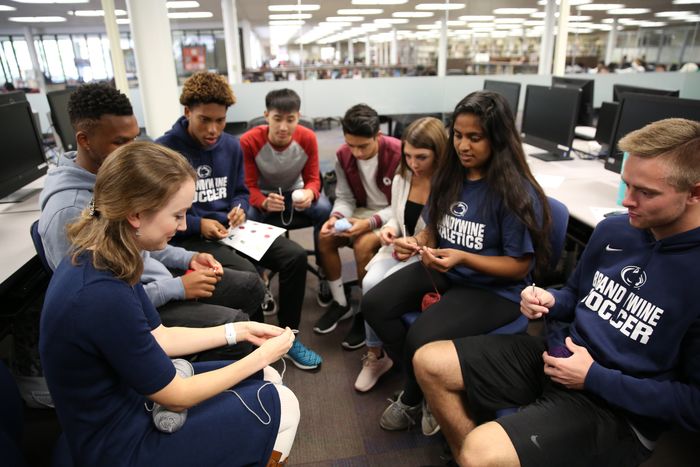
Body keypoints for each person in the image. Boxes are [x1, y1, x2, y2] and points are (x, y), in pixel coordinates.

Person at [414, 118, 700, 467]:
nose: (627, 201)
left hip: (619, 407)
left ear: (695, 193)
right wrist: (552, 300)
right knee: (428, 363)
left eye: (646, 192)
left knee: (481, 452)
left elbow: (693, 404)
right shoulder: (615, 230)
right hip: (560, 357)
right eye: (627, 185)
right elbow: (574, 295)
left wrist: (593, 377)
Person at [40, 142, 299, 466]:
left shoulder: (104, 252)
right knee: (284, 403)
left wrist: (238, 331)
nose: (181, 226)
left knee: (267, 377)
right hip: (114, 444)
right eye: (177, 215)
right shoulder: (99, 293)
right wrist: (261, 354)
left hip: (125, 398)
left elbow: (159, 336)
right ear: (135, 214)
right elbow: (176, 397)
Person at [362, 91, 552, 434]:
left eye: (475, 138)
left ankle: (414, 396)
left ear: (497, 138)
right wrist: (421, 243)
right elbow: (436, 225)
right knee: (375, 303)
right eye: (459, 136)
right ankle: (423, 383)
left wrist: (464, 257)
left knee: (421, 334)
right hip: (448, 271)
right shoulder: (452, 175)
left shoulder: (514, 192)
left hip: (496, 291)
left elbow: (520, 267)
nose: (463, 145)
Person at [38, 83, 261, 361]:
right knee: (234, 330)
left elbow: (144, 238)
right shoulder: (71, 210)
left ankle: (263, 355)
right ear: (84, 141)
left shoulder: (115, 175)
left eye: (134, 139)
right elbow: (100, 300)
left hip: (153, 282)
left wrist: (186, 258)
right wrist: (176, 288)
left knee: (250, 286)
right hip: (139, 302)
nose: (131, 150)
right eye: (120, 142)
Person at [156, 72, 322, 371]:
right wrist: (199, 224)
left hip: (232, 229)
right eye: (205, 120)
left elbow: (242, 191)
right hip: (190, 236)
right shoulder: (165, 150)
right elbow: (161, 210)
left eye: (220, 120)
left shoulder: (231, 146)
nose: (213, 129)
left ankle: (288, 336)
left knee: (295, 256)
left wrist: (239, 207)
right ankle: (259, 348)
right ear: (187, 112)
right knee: (249, 280)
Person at [354, 117, 447, 393]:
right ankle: (375, 356)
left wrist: (414, 243)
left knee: (378, 291)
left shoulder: (449, 185)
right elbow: (396, 217)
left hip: (428, 256)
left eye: (422, 157)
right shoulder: (403, 176)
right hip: (400, 248)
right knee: (369, 283)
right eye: (408, 155)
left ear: (439, 154)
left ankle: (404, 363)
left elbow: (442, 233)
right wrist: (389, 231)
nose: (414, 163)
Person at [313, 103, 402, 348]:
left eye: (363, 146)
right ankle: (341, 303)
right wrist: (336, 217)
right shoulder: (344, 155)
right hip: (361, 212)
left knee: (363, 245)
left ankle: (365, 311)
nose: (357, 152)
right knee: (326, 237)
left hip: (392, 217)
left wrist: (368, 223)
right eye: (351, 145)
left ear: (378, 136)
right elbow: (344, 197)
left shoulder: (399, 153)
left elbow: (402, 204)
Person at [240, 88, 332, 302]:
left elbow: (313, 178)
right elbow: (248, 185)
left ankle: (324, 270)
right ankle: (259, 278)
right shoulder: (248, 141)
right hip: (263, 194)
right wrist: (262, 201)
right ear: (266, 117)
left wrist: (310, 192)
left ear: (298, 117)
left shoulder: (307, 137)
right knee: (248, 217)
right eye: (277, 119)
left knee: (325, 210)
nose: (283, 127)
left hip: (295, 191)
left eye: (290, 119)